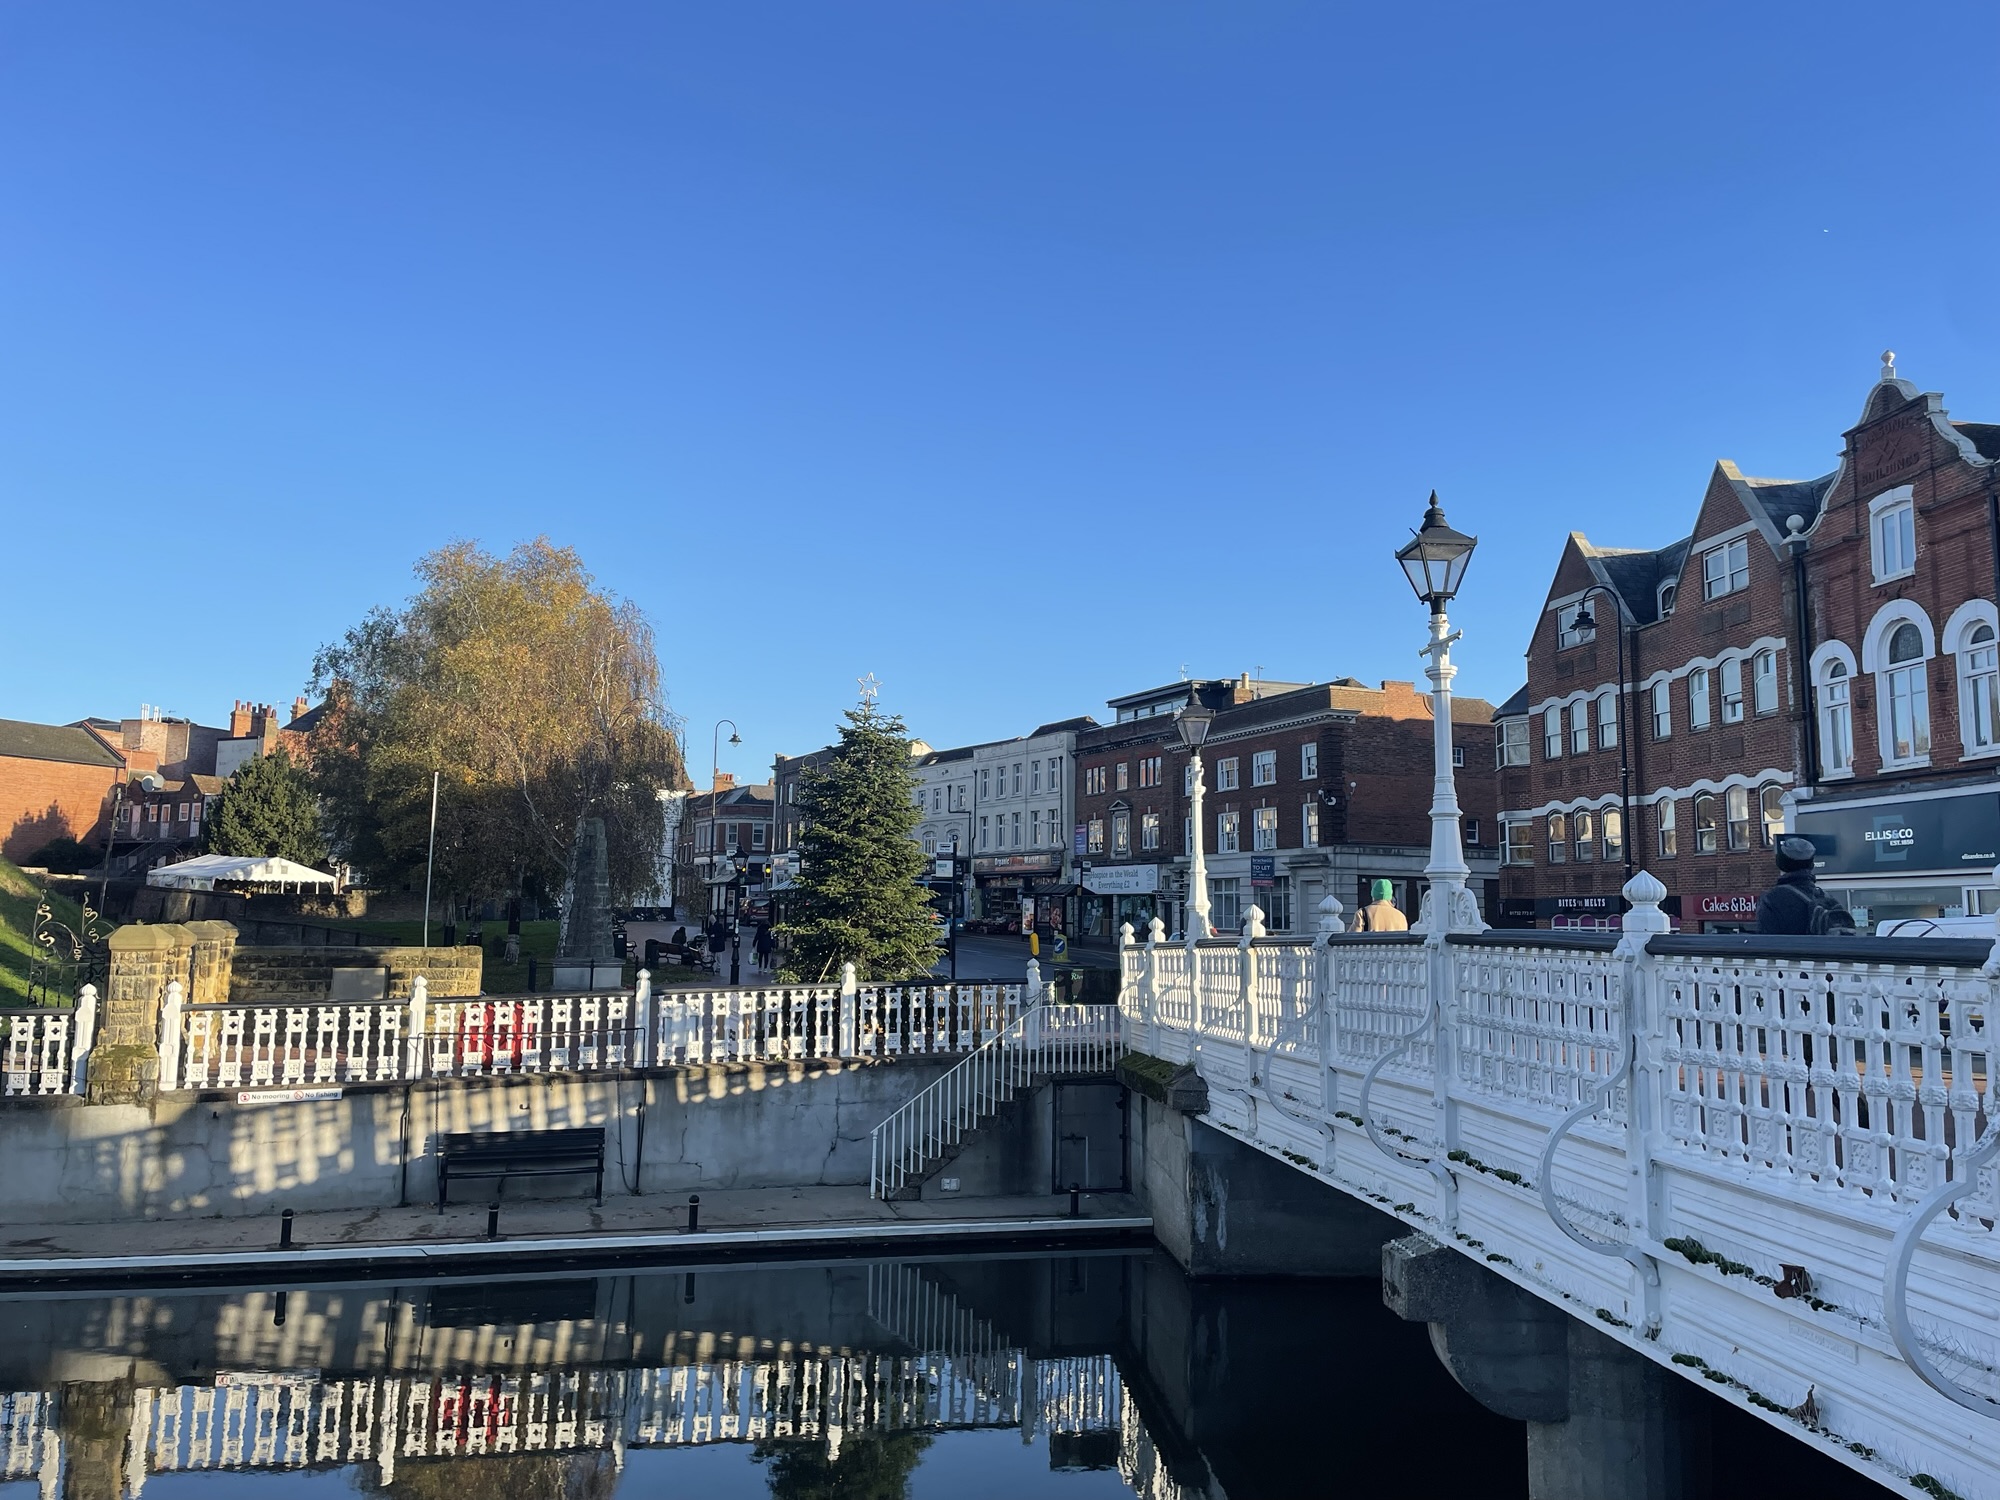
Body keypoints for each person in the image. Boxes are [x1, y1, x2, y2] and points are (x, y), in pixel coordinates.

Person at [1756, 838, 1856, 936]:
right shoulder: (1826, 898)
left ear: (1780, 863)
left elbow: (1767, 943)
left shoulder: (1771, 899)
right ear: (1811, 865)